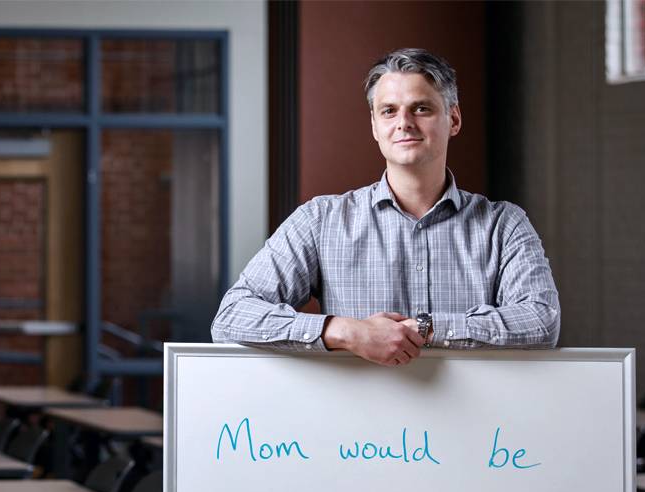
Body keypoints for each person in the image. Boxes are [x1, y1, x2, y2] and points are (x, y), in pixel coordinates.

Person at [211, 48, 560, 366]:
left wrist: (426, 329)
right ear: (375, 126)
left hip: (477, 430)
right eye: (389, 111)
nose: (404, 123)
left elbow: (541, 321)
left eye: (421, 108)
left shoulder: (504, 225)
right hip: (357, 430)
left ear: (453, 120)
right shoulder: (320, 221)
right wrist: (348, 333)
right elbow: (232, 317)